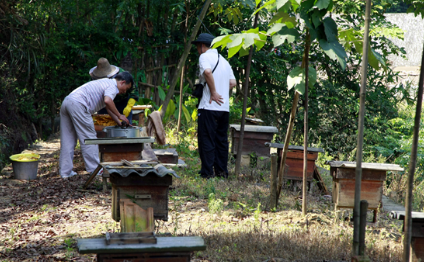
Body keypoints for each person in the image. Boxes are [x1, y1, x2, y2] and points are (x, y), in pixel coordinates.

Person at [59, 72, 134, 179]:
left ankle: (65, 172)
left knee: (68, 139)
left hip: (67, 102)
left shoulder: (105, 83)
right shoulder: (112, 86)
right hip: (79, 104)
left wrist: (119, 122)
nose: (124, 91)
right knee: (89, 137)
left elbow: (108, 108)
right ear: (122, 82)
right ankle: (95, 170)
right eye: (126, 88)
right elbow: (107, 101)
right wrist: (120, 115)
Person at [192, 33, 237, 179]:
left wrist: (213, 92)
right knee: (221, 141)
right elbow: (232, 83)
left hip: (209, 106)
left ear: (203, 46)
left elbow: (207, 71)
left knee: (206, 139)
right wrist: (221, 92)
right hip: (223, 108)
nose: (198, 49)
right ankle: (221, 172)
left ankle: (207, 173)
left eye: (198, 46)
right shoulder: (224, 61)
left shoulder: (204, 57)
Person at [89, 58, 139, 123]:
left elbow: (134, 90)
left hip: (122, 102)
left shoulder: (121, 74)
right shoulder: (94, 77)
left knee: (125, 124)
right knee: (104, 124)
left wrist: (129, 106)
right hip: (104, 104)